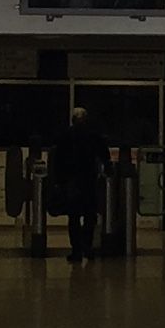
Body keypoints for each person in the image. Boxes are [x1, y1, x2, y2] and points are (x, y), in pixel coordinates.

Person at [54, 107, 110, 263]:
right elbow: (104, 154)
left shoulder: (66, 135)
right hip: (89, 181)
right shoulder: (93, 135)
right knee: (90, 216)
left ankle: (76, 250)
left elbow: (58, 159)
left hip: (72, 181)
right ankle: (87, 246)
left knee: (73, 218)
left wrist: (59, 181)